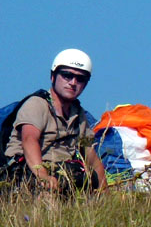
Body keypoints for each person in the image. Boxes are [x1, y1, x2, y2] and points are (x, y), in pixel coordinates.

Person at [2, 49, 105, 192]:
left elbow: (90, 154)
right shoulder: (37, 104)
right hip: (27, 172)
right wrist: (43, 176)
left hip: (62, 173)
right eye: (67, 75)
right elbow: (29, 140)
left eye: (80, 78)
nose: (73, 83)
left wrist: (104, 191)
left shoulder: (79, 115)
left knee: (84, 177)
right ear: (53, 76)